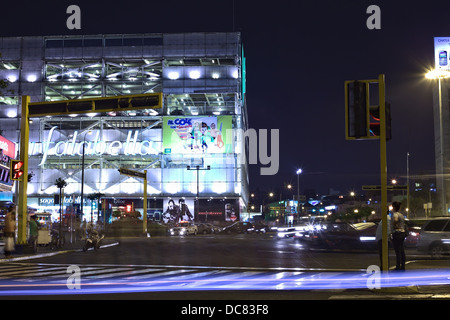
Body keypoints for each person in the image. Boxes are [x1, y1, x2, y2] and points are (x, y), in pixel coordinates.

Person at [390, 202, 407, 271]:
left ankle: (398, 266)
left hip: (397, 233)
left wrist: (394, 227)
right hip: (402, 233)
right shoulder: (401, 215)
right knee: (402, 250)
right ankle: (402, 266)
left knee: (397, 251)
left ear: (394, 207)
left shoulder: (395, 215)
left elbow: (395, 221)